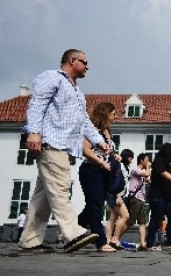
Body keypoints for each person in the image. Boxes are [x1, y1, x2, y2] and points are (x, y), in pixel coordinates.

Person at [20, 49, 105, 253]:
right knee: (60, 188)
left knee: (43, 196)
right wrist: (33, 132)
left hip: (63, 146)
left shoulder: (77, 92)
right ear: (71, 60)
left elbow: (83, 120)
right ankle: (73, 234)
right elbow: (37, 104)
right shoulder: (52, 77)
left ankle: (30, 240)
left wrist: (98, 140)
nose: (87, 67)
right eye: (84, 62)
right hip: (52, 142)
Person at [78, 102, 119, 253]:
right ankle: (101, 242)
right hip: (91, 170)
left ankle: (73, 230)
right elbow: (85, 150)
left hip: (103, 172)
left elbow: (107, 152)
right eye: (114, 113)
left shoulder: (107, 132)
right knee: (96, 206)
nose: (116, 116)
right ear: (105, 114)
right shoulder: (93, 131)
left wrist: (116, 157)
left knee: (92, 206)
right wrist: (101, 162)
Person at [147, 143, 171, 251]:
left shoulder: (168, 165)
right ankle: (150, 243)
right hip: (157, 196)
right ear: (167, 151)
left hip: (168, 197)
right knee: (156, 219)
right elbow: (163, 174)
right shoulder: (158, 161)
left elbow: (167, 180)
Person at [106, 149, 134, 250]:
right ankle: (115, 239)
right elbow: (118, 181)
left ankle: (108, 240)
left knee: (113, 217)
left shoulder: (123, 166)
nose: (131, 160)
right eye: (131, 158)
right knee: (125, 216)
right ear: (128, 157)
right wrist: (118, 196)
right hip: (116, 195)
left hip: (114, 194)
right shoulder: (120, 165)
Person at [126, 153, 151, 251]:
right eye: (147, 159)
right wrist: (148, 167)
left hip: (141, 199)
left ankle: (142, 243)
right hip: (135, 198)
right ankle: (115, 238)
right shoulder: (135, 170)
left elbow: (149, 179)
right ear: (141, 160)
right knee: (130, 222)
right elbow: (147, 174)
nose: (148, 162)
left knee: (142, 222)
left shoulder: (143, 172)